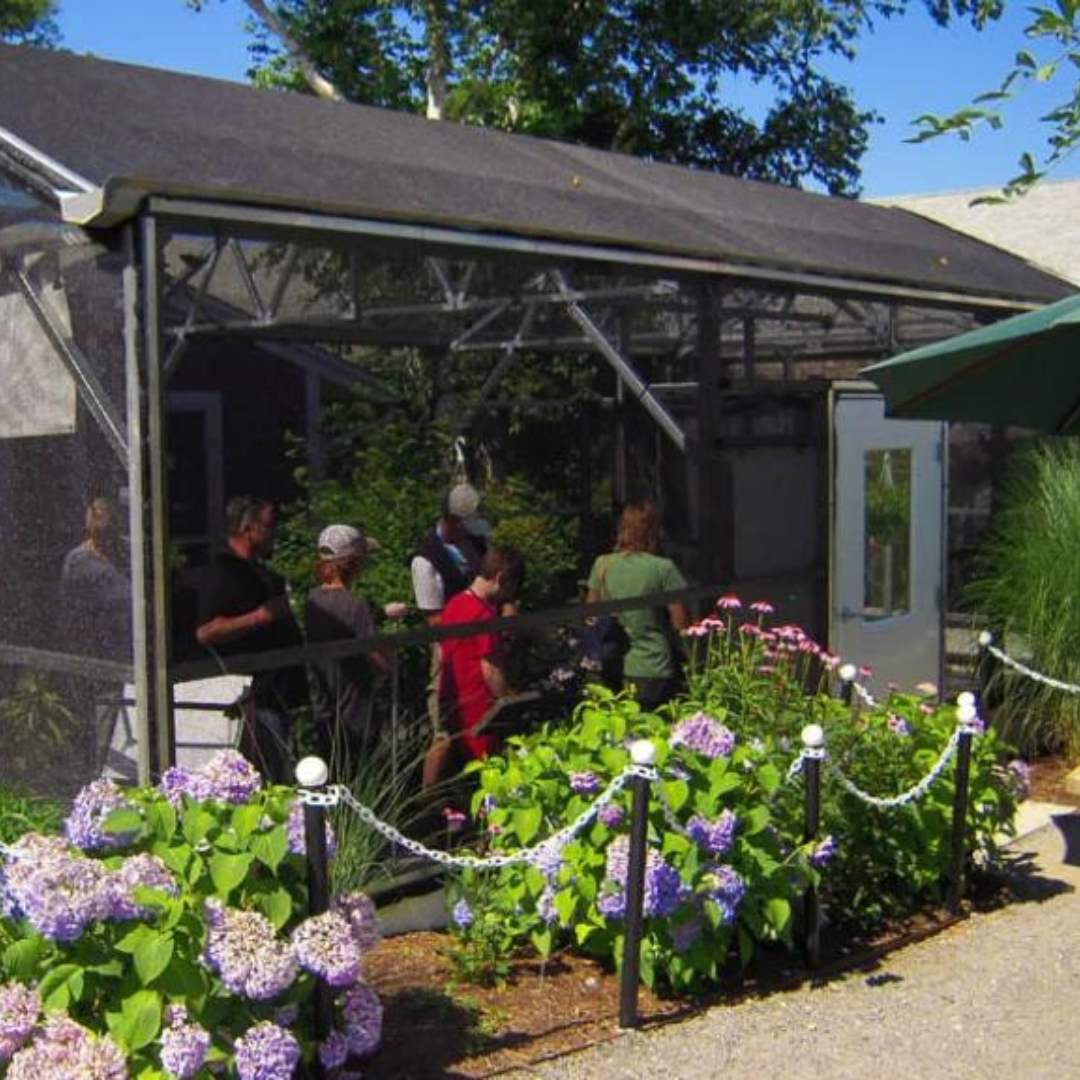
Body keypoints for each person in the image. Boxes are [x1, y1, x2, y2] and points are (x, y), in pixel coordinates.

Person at [195, 496, 307, 783]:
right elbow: (207, 632)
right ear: (248, 528)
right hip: (254, 700)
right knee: (262, 779)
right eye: (269, 526)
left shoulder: (259, 572)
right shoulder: (224, 573)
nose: (274, 534)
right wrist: (261, 616)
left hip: (277, 693)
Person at [411, 483, 488, 786]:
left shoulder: (476, 543)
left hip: (482, 642)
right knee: (443, 730)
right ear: (452, 520)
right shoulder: (425, 559)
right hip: (448, 650)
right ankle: (427, 799)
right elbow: (435, 620)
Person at [586, 501, 689, 711]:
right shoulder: (663, 568)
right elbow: (680, 623)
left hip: (614, 667)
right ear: (653, 531)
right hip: (654, 667)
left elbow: (590, 615)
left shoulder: (602, 565)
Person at [305, 523, 389, 775]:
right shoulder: (356, 606)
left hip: (324, 708)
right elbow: (379, 659)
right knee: (359, 775)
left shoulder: (312, 601)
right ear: (353, 562)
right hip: (357, 712)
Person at [438, 545, 525, 766]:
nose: (510, 595)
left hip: (453, 705)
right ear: (500, 577)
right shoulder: (484, 615)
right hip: (480, 711)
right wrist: (508, 699)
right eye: (511, 587)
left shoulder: (454, 604)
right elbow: (491, 669)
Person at [59, 496, 131, 658]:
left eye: (108, 530)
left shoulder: (131, 551)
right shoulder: (77, 561)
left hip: (132, 640)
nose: (104, 537)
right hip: (99, 644)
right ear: (90, 528)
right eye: (98, 532)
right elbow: (70, 608)